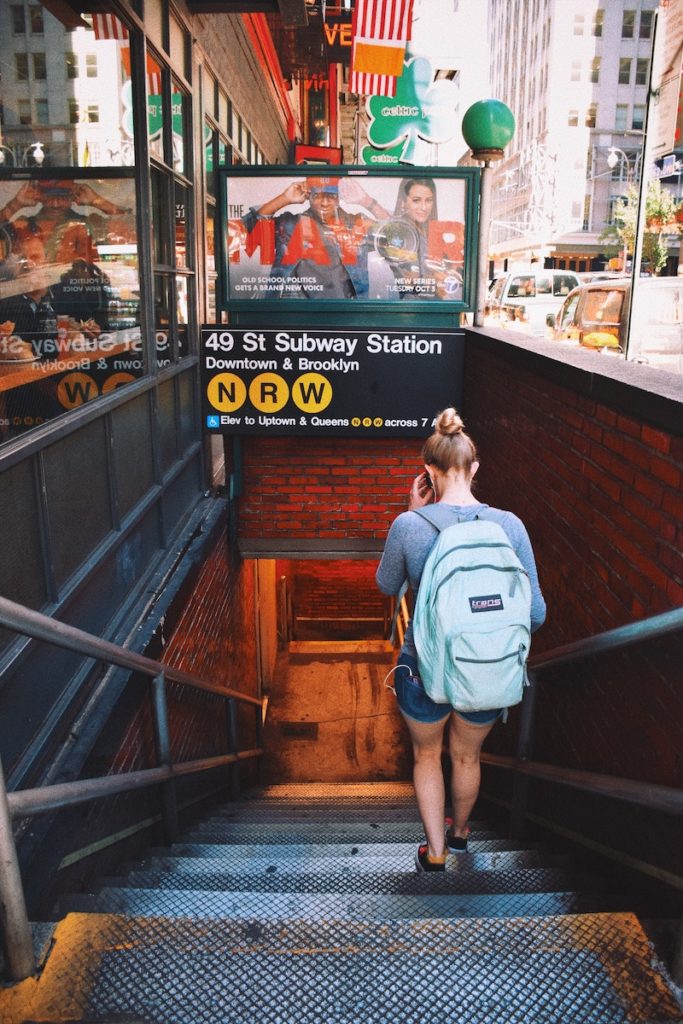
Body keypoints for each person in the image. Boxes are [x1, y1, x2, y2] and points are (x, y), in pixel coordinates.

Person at [376, 408, 546, 872]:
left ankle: (434, 853)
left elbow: (387, 585)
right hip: (486, 669)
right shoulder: (510, 526)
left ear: (427, 472)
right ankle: (462, 835)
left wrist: (412, 516)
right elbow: (535, 613)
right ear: (474, 468)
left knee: (427, 755)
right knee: (467, 756)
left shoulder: (409, 526)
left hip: (423, 668)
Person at [240, 176, 389, 299]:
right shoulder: (289, 224)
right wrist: (283, 199)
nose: (324, 203)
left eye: (331, 196)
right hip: (295, 315)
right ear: (308, 196)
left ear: (339, 198)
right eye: (317, 196)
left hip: (346, 313)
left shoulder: (358, 224)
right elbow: (244, 231)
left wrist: (366, 201)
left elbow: (400, 239)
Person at [383, 178, 464, 300]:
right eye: (416, 200)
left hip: (436, 308)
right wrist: (433, 279)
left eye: (429, 200)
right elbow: (404, 279)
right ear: (403, 202)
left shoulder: (429, 234)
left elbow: (457, 275)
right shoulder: (399, 231)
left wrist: (448, 274)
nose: (424, 207)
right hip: (409, 310)